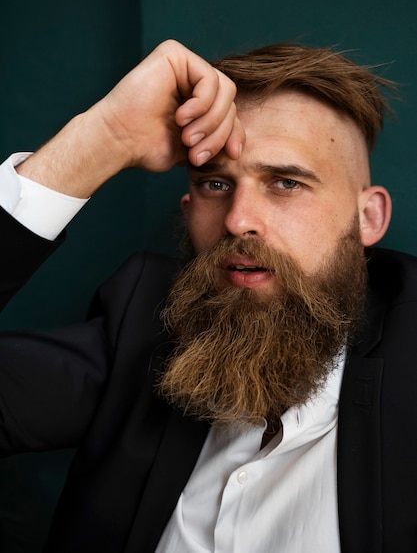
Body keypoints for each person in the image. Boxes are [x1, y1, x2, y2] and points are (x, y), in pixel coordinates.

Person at [0, 38, 416, 553]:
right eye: (215, 185)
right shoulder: (143, 320)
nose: (239, 221)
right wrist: (101, 139)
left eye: (285, 183)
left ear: (367, 217)